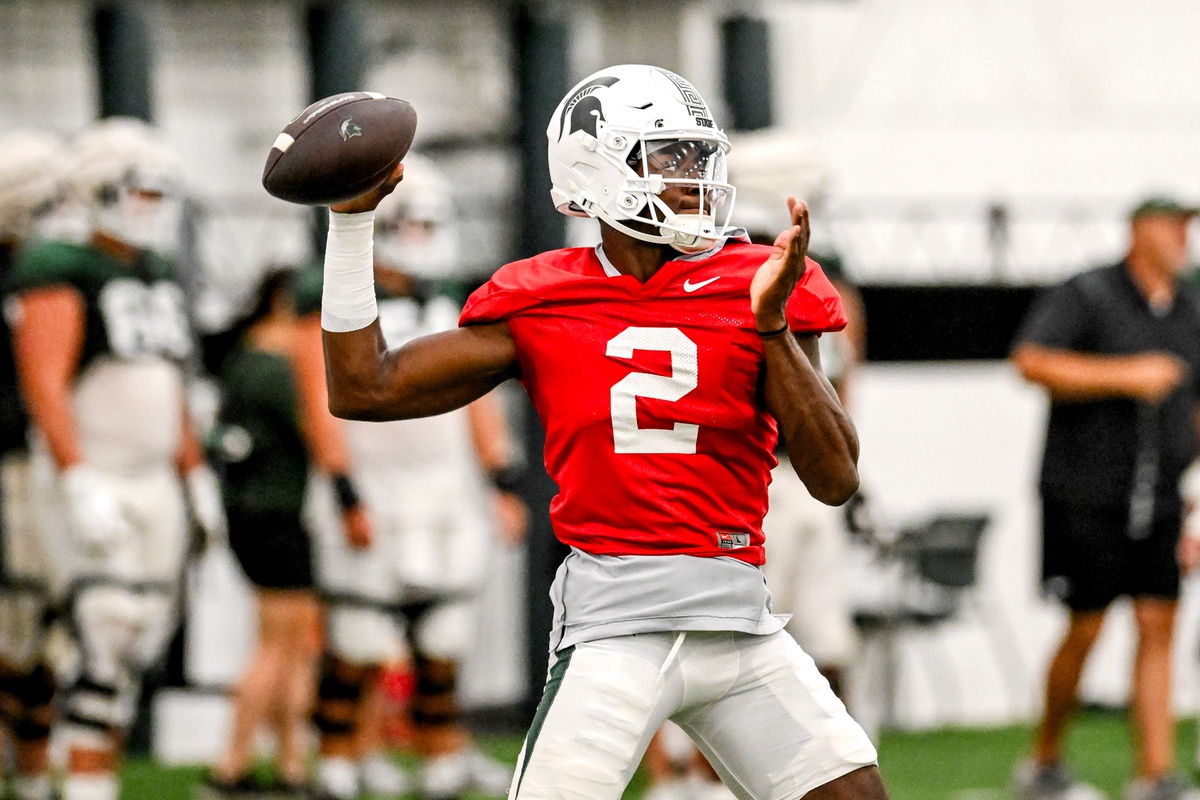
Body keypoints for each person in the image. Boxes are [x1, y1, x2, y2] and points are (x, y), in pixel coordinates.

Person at [316, 64, 886, 800]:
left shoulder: (760, 279)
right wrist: (351, 227)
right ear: (597, 167)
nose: (696, 177)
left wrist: (772, 324)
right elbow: (365, 388)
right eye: (670, 157)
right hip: (616, 628)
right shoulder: (541, 295)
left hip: (740, 622)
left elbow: (835, 477)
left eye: (699, 157)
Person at [8, 118, 226, 800]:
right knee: (96, 635)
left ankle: (85, 773)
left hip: (154, 477)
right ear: (100, 191)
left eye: (163, 193)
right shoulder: (59, 267)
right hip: (96, 474)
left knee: (136, 640)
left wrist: (195, 477)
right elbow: (44, 380)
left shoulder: (156, 273)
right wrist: (76, 478)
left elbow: (171, 386)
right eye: (140, 191)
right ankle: (76, 784)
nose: (152, 208)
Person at [297, 155, 526, 800]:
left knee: (445, 634)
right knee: (359, 634)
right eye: (409, 224)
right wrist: (344, 491)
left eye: (431, 225)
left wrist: (501, 482)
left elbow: (478, 398)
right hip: (373, 482)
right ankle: (338, 760)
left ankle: (440, 758)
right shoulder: (335, 297)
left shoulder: (452, 301)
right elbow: (318, 399)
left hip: (444, 484)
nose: (420, 239)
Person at [1011, 196, 1200, 800]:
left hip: (1162, 497)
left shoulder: (1190, 309)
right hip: (1084, 494)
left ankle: (1156, 772)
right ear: (1140, 231)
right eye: (1174, 226)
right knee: (1086, 627)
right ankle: (1044, 759)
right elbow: (1031, 362)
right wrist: (1126, 374)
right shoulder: (1087, 293)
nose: (1183, 238)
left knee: (1158, 622)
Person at [203, 269, 322, 798]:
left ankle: (291, 765)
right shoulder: (273, 367)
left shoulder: (244, 359)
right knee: (278, 645)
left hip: (259, 514)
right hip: (274, 516)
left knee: (294, 643)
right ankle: (231, 766)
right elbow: (319, 426)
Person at [0, 131, 73, 800]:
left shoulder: (55, 276)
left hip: (39, 464)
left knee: (41, 626)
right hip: (14, 464)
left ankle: (32, 766)